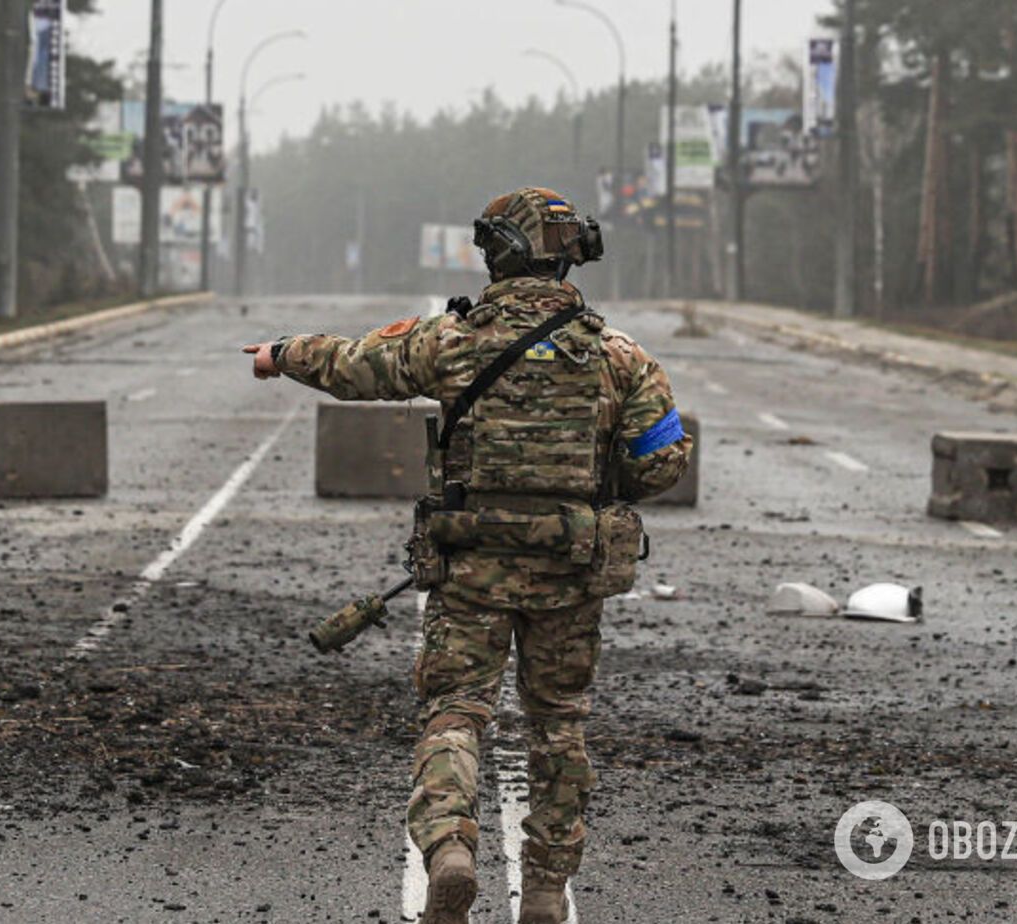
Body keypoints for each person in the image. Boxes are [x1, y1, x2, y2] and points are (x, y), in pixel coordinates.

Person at [243, 187, 691, 924]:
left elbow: (356, 367)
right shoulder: (619, 357)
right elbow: (661, 464)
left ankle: (451, 848)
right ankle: (545, 890)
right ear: (569, 254)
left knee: (456, 711)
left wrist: (280, 355)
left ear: (497, 253)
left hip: (469, 568)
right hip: (570, 574)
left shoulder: (451, 341)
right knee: (559, 724)